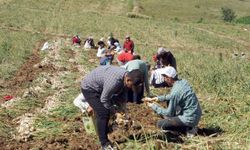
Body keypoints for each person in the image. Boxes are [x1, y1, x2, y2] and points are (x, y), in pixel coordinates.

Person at [81, 66, 144, 149]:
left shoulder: (126, 76)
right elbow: (104, 99)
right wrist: (115, 112)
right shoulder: (114, 82)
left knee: (110, 107)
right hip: (90, 88)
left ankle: (105, 129)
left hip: (102, 88)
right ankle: (104, 144)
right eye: (131, 86)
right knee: (103, 113)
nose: (131, 88)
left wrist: (123, 110)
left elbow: (123, 96)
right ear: (128, 80)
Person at [145, 66, 202, 137]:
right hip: (196, 114)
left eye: (165, 77)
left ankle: (188, 129)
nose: (164, 79)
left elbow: (169, 113)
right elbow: (171, 96)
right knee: (169, 101)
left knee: (160, 124)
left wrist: (153, 106)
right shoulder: (183, 82)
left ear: (169, 78)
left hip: (189, 119)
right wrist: (157, 98)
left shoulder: (175, 93)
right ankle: (185, 125)